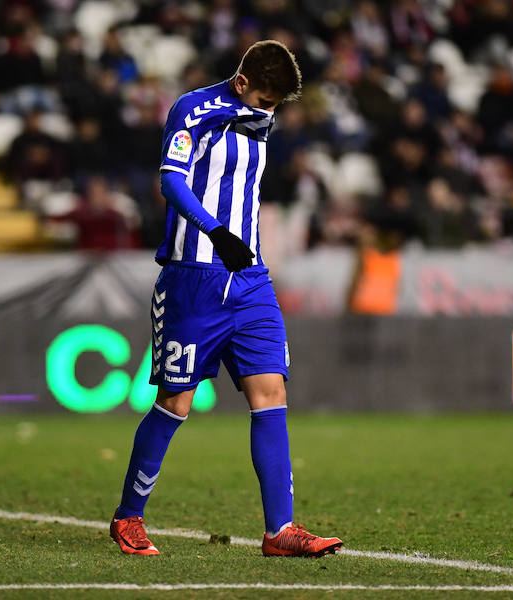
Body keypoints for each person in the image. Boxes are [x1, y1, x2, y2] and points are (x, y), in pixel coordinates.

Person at [109, 40, 343, 558]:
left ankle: (279, 531)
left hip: (250, 279)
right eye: (264, 100)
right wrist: (215, 232)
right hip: (192, 278)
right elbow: (171, 182)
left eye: (276, 104)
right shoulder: (193, 109)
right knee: (176, 402)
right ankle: (129, 517)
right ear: (241, 83)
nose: (269, 111)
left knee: (270, 393)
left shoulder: (260, 115)